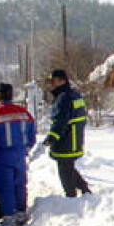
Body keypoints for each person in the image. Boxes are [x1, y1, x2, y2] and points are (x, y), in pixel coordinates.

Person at [0, 83, 36, 226]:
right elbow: (32, 133)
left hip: (1, 156)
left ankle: (9, 216)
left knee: (5, 187)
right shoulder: (24, 112)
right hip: (19, 155)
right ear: (11, 94)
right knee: (20, 184)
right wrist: (26, 148)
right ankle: (21, 212)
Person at [43, 69, 91, 197]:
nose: (51, 84)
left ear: (61, 81)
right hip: (75, 139)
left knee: (65, 171)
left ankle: (71, 198)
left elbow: (60, 120)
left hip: (66, 142)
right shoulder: (75, 94)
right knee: (68, 168)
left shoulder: (63, 97)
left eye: (53, 81)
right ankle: (86, 191)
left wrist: (51, 137)